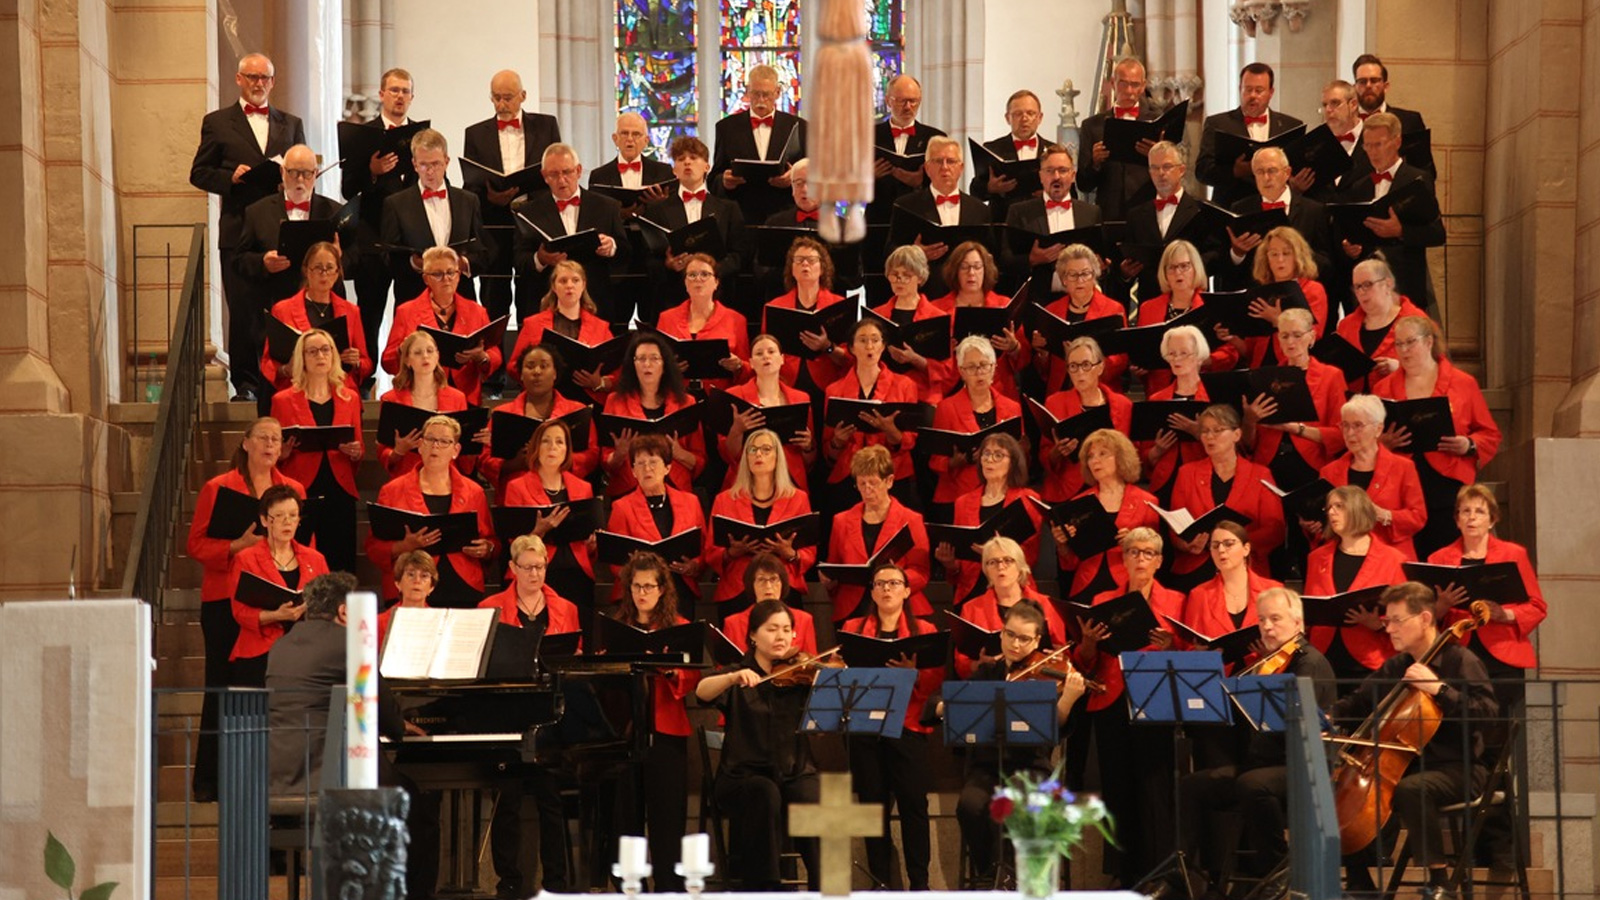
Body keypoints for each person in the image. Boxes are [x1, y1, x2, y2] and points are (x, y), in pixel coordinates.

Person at [265, 572, 440, 900]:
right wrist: (400, 725)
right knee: (418, 800)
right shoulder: (350, 645)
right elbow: (389, 719)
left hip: (282, 774)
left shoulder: (281, 646)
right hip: (333, 776)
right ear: (345, 611)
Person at [1333, 582, 1497, 897]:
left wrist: (1440, 690)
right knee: (1342, 782)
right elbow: (1359, 701)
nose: (1389, 629)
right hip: (1412, 765)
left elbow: (1489, 714)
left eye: (1397, 620)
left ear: (1424, 618)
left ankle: (1440, 881)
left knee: (1411, 789)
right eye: (1387, 621)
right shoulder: (1399, 665)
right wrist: (1327, 715)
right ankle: (1359, 881)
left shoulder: (1460, 661)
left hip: (1459, 767)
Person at [1176, 587, 1336, 890]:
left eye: (1275, 619)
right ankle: (1184, 875)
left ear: (1298, 623)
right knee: (1192, 786)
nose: (1267, 627)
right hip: (1264, 763)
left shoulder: (1309, 663)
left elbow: (1303, 727)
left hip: (1303, 765)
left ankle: (1278, 867)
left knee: (1252, 784)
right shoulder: (1270, 663)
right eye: (1262, 620)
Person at [186, 417, 303, 801]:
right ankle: (210, 781)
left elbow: (304, 543)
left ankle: (266, 777)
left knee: (271, 689)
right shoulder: (218, 487)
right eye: (263, 437)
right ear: (246, 442)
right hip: (224, 599)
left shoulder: (293, 490)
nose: (270, 445)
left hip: (275, 598)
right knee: (221, 685)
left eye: (277, 439)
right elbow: (195, 545)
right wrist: (237, 546)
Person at [931, 599, 1087, 883]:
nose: (1015, 644)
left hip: (1031, 768)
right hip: (987, 768)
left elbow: (1057, 728)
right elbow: (940, 702)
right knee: (969, 806)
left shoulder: (1046, 675)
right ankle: (989, 873)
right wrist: (944, 707)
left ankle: (1012, 878)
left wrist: (1067, 699)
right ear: (1001, 633)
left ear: (1037, 640)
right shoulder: (987, 673)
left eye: (1024, 638)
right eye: (1010, 634)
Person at [189, 52, 306, 401]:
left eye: (264, 78)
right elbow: (199, 173)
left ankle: (287, 380)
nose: (258, 83)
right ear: (239, 79)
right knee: (243, 310)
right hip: (239, 229)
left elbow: (302, 165)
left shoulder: (291, 123)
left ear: (273, 82)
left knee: (285, 308)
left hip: (280, 227)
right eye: (252, 77)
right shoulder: (218, 122)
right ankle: (246, 384)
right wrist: (230, 177)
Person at [477, 533, 581, 898]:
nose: (535, 574)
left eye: (540, 567)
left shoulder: (565, 607)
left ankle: (556, 883)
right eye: (527, 567)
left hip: (550, 715)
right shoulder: (489, 606)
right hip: (506, 714)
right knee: (507, 799)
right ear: (512, 568)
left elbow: (575, 659)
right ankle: (509, 882)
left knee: (551, 799)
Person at [1079, 527, 1184, 885]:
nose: (1140, 558)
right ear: (1123, 559)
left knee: (1155, 788)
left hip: (1156, 699)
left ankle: (1160, 873)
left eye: (1148, 553)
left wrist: (1171, 646)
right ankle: (1124, 874)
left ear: (1159, 560)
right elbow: (1086, 661)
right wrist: (1089, 643)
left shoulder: (1176, 601)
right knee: (1117, 787)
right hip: (1111, 698)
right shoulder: (1103, 600)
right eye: (1133, 552)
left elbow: (1188, 655)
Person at [695, 599, 822, 891]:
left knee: (812, 794)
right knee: (765, 793)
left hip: (793, 771)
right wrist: (732, 678)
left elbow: (820, 728)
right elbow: (701, 692)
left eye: (787, 630)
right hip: (743, 776)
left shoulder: (799, 675)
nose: (781, 636)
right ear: (753, 635)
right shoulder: (738, 674)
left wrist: (825, 687)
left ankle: (824, 886)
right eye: (772, 629)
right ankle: (765, 887)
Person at [840, 561, 944, 890]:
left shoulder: (924, 629)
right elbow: (843, 675)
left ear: (907, 591)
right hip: (865, 727)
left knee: (914, 806)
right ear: (871, 592)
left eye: (894, 583)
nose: (887, 588)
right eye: (880, 583)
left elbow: (935, 681)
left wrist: (913, 675)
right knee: (873, 808)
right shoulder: (854, 627)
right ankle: (880, 882)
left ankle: (920, 884)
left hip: (908, 725)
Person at [609, 552, 702, 891]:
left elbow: (692, 678)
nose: (642, 593)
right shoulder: (617, 627)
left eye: (649, 586)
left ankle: (669, 890)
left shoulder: (678, 627)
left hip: (666, 731)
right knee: (626, 821)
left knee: (667, 820)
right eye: (636, 586)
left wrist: (669, 670)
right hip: (626, 732)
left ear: (662, 589)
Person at [1373, 315, 1501, 559]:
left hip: (1447, 484)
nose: (1404, 350)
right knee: (1406, 561)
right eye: (1399, 344)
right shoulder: (1383, 388)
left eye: (1410, 342)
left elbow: (1490, 434)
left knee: (1447, 557)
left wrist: (1468, 444)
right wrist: (1384, 443)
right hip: (1401, 485)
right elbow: (1368, 439)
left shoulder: (1463, 383)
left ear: (1429, 341)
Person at [236, 146, 352, 385]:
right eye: (293, 172)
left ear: (316, 174)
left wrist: (338, 258)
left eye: (307, 173)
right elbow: (239, 260)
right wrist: (263, 262)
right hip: (276, 303)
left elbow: (356, 259)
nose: (300, 180)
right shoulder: (257, 212)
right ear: (282, 172)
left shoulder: (334, 212)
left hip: (325, 307)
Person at [460, 69, 562, 327]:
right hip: (494, 223)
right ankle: (494, 352)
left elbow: (556, 171)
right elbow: (471, 184)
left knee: (534, 294)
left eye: (507, 97)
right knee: (494, 295)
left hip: (534, 220)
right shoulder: (476, 133)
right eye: (496, 98)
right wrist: (490, 197)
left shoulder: (546, 125)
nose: (501, 104)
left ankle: (532, 349)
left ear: (523, 96)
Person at [367, 415, 496, 607]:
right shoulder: (392, 490)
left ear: (456, 450)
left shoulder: (474, 492)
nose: (435, 446)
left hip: (462, 585)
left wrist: (486, 549)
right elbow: (374, 548)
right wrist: (404, 546)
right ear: (420, 445)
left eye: (444, 441)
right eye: (430, 439)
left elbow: (491, 542)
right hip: (411, 586)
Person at [342, 68, 420, 385]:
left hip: (408, 242)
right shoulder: (363, 135)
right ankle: (365, 378)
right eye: (394, 90)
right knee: (369, 313)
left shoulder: (420, 137)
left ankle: (408, 378)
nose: (400, 96)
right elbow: (348, 188)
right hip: (372, 239)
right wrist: (371, 172)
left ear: (412, 97)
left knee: (408, 313)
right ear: (381, 94)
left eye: (405, 91)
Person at [270, 329, 365, 574]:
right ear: (302, 358)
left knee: (341, 561)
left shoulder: (350, 398)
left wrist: (355, 451)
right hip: (301, 488)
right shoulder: (283, 400)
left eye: (325, 350)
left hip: (340, 486)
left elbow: (359, 446)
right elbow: (273, 451)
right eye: (312, 351)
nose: (320, 356)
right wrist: (282, 453)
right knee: (302, 560)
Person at [1335, 112, 1446, 312]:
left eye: (1378, 145)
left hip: (1405, 285)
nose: (1372, 152)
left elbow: (1437, 233)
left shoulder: (1417, 179)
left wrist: (1400, 231)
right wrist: (1351, 247)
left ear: (1397, 142)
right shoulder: (1359, 186)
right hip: (1368, 290)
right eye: (1367, 146)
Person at [1169, 405, 1286, 588]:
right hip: (1198, 565)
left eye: (1218, 430)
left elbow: (1274, 529)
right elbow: (1175, 527)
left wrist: (1234, 545)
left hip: (1246, 565)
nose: (1209, 436)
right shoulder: (1187, 473)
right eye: (1205, 431)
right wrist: (1187, 544)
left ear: (1237, 435)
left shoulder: (1260, 474)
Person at [706, 428, 816, 620]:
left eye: (766, 449)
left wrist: (789, 553)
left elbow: (809, 551)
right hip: (737, 587)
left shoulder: (798, 498)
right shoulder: (725, 500)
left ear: (777, 457)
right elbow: (711, 551)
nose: (758, 454)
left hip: (783, 584)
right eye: (753, 449)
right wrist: (732, 552)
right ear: (746, 458)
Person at [512, 143, 629, 322]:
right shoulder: (528, 212)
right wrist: (540, 259)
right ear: (544, 176)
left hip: (596, 302)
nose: (561, 180)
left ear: (579, 171)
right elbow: (519, 260)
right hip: (547, 305)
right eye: (554, 174)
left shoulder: (607, 206)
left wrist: (611, 247)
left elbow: (625, 251)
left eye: (566, 172)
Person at [638, 136, 750, 321]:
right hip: (673, 298)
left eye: (693, 157)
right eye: (680, 159)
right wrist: (668, 264)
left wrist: (711, 271)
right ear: (674, 170)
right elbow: (647, 258)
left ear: (707, 166)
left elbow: (740, 254)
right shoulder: (657, 210)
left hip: (719, 298)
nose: (687, 162)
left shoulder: (728, 208)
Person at [1304, 485, 1408, 682]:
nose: (1331, 512)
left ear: (1358, 509)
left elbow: (1404, 616)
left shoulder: (1393, 559)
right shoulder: (1316, 558)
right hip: (1323, 657)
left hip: (1369, 659)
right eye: (1329, 507)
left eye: (1339, 506)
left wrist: (1378, 624)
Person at [501, 418, 599, 622]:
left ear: (567, 450)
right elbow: (513, 543)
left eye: (559, 441)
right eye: (546, 441)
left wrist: (591, 545)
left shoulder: (583, 488)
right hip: (536, 573)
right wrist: (538, 532)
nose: (552, 447)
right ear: (536, 447)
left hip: (577, 573)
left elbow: (588, 541)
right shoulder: (517, 487)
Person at [821, 445, 932, 625]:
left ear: (889, 481)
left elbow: (921, 572)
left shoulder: (911, 519)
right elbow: (834, 567)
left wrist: (895, 578)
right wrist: (829, 581)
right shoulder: (841, 521)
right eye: (861, 483)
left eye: (873, 483)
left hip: (900, 607)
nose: (867, 490)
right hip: (854, 608)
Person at [1239, 306, 1347, 491]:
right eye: (1284, 336)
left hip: (1311, 464)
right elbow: (1249, 445)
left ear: (1311, 337)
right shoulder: (1265, 377)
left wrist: (1295, 428)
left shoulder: (1331, 376)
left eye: (1297, 335)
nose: (1290, 342)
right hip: (1268, 464)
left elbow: (1340, 435)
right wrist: (1249, 420)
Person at [228, 485, 326, 686]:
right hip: (260, 652)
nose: (287, 522)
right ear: (265, 520)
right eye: (279, 516)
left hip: (305, 652)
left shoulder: (315, 559)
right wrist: (277, 615)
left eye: (293, 515)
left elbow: (329, 605)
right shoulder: (245, 559)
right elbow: (240, 613)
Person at [820, 318, 921, 509]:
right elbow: (828, 448)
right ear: (851, 348)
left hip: (892, 474)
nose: (869, 346)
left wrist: (891, 431)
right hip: (849, 475)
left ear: (883, 346)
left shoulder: (905, 385)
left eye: (875, 340)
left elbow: (910, 441)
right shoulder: (834, 390)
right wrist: (838, 441)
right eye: (863, 340)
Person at [381, 246, 501, 405]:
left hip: (466, 396)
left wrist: (481, 357)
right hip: (421, 395)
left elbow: (494, 353)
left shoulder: (476, 311)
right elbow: (387, 361)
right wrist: (402, 351)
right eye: (438, 274)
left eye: (451, 272)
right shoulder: (407, 311)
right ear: (426, 279)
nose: (446, 279)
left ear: (459, 275)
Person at [380, 127, 488, 304]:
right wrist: (415, 264)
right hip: (414, 300)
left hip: (461, 300)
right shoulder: (396, 204)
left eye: (435, 164)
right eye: (424, 165)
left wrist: (461, 264)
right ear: (414, 164)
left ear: (446, 161)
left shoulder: (468, 201)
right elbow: (387, 258)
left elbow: (482, 254)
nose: (430, 171)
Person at [936, 432, 1044, 605]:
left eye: (998, 455)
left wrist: (992, 553)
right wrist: (950, 564)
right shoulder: (963, 502)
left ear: (1013, 462)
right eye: (986, 454)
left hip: (1013, 588)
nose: (989, 460)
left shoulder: (1027, 499)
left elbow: (1030, 555)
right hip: (972, 589)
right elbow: (959, 566)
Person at [1054, 428, 1160, 603]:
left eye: (1103, 454)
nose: (1095, 460)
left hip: (1127, 584)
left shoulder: (1147, 502)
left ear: (1121, 458)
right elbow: (1070, 562)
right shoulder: (1078, 502)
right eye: (1090, 456)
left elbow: (1154, 554)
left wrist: (1133, 543)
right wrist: (1062, 544)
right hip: (1086, 583)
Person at [479, 343, 600, 496]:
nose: (537, 372)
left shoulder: (577, 410)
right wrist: (513, 464)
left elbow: (591, 454)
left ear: (555, 373)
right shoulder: (502, 413)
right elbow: (484, 458)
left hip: (565, 491)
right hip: (517, 494)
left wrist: (558, 460)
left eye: (544, 366)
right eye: (530, 366)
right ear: (521, 375)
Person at [1318, 394, 1428, 559]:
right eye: (1345, 425)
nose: (1350, 433)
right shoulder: (1329, 472)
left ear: (1378, 429)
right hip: (1345, 555)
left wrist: (1384, 515)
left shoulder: (1403, 467)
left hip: (1391, 557)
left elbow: (1418, 517)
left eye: (1358, 425)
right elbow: (1324, 523)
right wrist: (1313, 524)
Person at [605, 433, 707, 607]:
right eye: (640, 463)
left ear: (667, 468)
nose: (647, 469)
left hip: (680, 587)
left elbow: (703, 548)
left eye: (653, 462)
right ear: (633, 471)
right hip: (639, 593)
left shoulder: (691, 502)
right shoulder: (622, 507)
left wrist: (694, 565)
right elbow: (616, 561)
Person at [260, 241, 370, 400]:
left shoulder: (351, 311)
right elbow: (267, 362)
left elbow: (366, 363)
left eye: (329, 268)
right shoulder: (283, 309)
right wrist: (286, 370)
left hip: (339, 392)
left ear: (337, 272)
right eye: (318, 267)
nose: (324, 274)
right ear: (306, 271)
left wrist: (356, 361)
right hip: (297, 391)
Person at [928, 336, 1023, 519]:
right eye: (971, 367)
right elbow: (935, 461)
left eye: (984, 365)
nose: (979, 372)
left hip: (1003, 494)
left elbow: (1019, 455)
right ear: (961, 372)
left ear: (994, 368)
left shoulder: (1012, 408)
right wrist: (956, 461)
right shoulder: (946, 408)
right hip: (959, 495)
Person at [601, 332, 706, 498]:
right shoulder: (615, 401)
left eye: (654, 358)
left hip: (676, 489)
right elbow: (606, 461)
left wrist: (679, 453)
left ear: (664, 365)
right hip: (629, 489)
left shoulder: (687, 402)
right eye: (641, 359)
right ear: (632, 365)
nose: (647, 364)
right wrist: (619, 454)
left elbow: (699, 460)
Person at [1216, 147, 1332, 293]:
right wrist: (1237, 253)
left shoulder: (1313, 210)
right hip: (1255, 295)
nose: (1266, 177)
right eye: (1260, 172)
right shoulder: (1239, 209)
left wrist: (1298, 254)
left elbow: (1327, 263)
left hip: (1301, 294)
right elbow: (1225, 268)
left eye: (1272, 171)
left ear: (1287, 173)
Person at [1132, 240, 1237, 397]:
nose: (1178, 273)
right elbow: (1142, 351)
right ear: (1164, 273)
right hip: (1161, 392)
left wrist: (1203, 360)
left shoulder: (1213, 305)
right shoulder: (1148, 308)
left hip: (1204, 389)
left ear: (1196, 269)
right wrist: (1140, 368)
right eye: (1172, 267)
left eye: (1184, 266)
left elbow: (1231, 353)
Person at [891, 136, 993, 299]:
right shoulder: (905, 205)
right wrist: (916, 254)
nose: (945, 167)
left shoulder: (980, 209)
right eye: (938, 161)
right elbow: (890, 253)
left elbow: (990, 255)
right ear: (927, 168)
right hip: (924, 295)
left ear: (961, 168)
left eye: (951, 161)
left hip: (967, 296)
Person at [952, 536, 1068, 678]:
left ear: (1020, 567)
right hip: (989, 681)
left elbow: (1063, 652)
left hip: (1036, 680)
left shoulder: (1046, 604)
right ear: (986, 569)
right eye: (993, 562)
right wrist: (978, 665)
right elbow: (961, 662)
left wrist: (1058, 658)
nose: (1000, 567)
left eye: (1008, 560)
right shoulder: (971, 608)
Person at [504, 259, 617, 403]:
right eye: (563, 281)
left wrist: (599, 382)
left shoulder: (600, 327)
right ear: (554, 286)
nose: (569, 286)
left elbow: (617, 372)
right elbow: (514, 366)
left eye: (575, 280)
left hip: (586, 399)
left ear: (583, 285)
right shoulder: (533, 324)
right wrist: (537, 375)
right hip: (543, 400)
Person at [1039, 336, 1134, 503]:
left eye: (1086, 365)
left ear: (1100, 367)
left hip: (1111, 488)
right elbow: (1044, 455)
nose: (1080, 372)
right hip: (1068, 489)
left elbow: (1131, 455)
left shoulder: (1123, 405)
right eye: (1073, 366)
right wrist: (1057, 452)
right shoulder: (1055, 403)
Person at [1196, 63, 1305, 207]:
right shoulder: (1218, 124)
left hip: (1279, 207)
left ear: (1271, 92)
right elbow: (1202, 172)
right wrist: (1234, 171)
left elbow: (1297, 168)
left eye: (1259, 90)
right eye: (1248, 89)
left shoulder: (1290, 126)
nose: (1253, 95)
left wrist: (1295, 183)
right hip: (1231, 207)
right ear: (1239, 89)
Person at [712, 63, 808, 226]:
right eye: (756, 94)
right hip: (741, 218)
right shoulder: (726, 127)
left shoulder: (799, 126)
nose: (761, 100)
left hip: (785, 215)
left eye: (766, 94)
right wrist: (724, 181)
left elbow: (814, 173)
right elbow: (713, 179)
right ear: (748, 91)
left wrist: (792, 178)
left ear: (777, 92)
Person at [1026, 248, 1129, 396]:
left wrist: (1083, 360)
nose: (1080, 280)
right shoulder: (1051, 310)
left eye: (1085, 274)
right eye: (1073, 275)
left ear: (1094, 275)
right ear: (1064, 279)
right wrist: (1043, 352)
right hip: (1061, 392)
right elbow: (1045, 370)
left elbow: (1121, 360)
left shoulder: (1113, 309)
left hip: (1100, 391)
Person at [719, 333, 817, 490]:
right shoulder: (734, 396)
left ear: (782, 359)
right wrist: (737, 430)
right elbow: (727, 455)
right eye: (759, 353)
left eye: (771, 351)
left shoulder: (801, 398)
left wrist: (808, 446)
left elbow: (809, 460)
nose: (766, 356)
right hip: (747, 480)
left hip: (790, 481)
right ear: (751, 363)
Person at [1002, 143, 1103, 293]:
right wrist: (1031, 259)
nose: (1056, 177)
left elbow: (1101, 258)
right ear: (1041, 176)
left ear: (1073, 176)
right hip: (1036, 298)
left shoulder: (1091, 212)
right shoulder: (1019, 211)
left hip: (1080, 298)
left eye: (1063, 170)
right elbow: (1004, 260)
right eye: (1050, 171)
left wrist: (1100, 264)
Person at [760, 236, 853, 397]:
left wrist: (827, 346)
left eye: (811, 260)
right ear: (792, 269)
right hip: (786, 385)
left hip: (828, 384)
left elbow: (850, 359)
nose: (805, 264)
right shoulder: (774, 306)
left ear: (822, 268)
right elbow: (764, 349)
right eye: (799, 260)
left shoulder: (839, 305)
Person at [1118, 140, 1208, 304]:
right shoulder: (1136, 215)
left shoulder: (1201, 211)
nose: (1160, 173)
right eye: (1154, 168)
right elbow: (1126, 263)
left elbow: (1213, 255)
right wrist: (1125, 273)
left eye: (1167, 167)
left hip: (1192, 302)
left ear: (1181, 170)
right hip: (1150, 301)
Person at [934, 242, 1027, 399]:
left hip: (997, 389)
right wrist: (944, 350)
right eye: (964, 267)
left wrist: (1013, 347)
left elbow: (1024, 356)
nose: (971, 273)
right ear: (955, 271)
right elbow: (928, 359)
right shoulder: (936, 309)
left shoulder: (1003, 305)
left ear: (985, 270)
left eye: (977, 267)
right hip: (950, 388)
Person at [1179, 520, 1284, 656]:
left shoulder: (1274, 590)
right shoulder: (1199, 594)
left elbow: (1289, 641)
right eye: (1215, 545)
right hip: (1218, 668)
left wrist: (1272, 653)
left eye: (1228, 544)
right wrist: (1200, 653)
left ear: (1246, 549)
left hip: (1265, 667)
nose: (1221, 550)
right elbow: (1188, 648)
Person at [870, 244, 956, 404]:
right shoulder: (876, 314)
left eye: (906, 275)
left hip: (922, 394)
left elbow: (946, 371)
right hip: (883, 391)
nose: (899, 280)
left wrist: (914, 359)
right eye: (894, 275)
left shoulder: (938, 317)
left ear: (920, 278)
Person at [656, 251, 752, 395]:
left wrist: (738, 365)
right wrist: (670, 368)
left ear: (716, 282)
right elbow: (656, 365)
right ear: (685, 283)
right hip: (677, 398)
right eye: (692, 275)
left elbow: (748, 373)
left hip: (720, 398)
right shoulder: (666, 318)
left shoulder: (736, 320)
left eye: (705, 274)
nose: (698, 279)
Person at [377, 330, 469, 478]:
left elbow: (464, 452)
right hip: (407, 476)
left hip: (445, 477)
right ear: (407, 361)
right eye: (418, 353)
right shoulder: (391, 399)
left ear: (437, 356)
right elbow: (383, 452)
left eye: (430, 351)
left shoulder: (457, 398)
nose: (425, 356)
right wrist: (398, 451)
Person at [1077, 57, 1160, 221]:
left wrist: (1156, 156)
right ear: (1113, 83)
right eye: (1123, 83)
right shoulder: (1092, 126)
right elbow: (1083, 185)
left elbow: (1171, 174)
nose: (1129, 90)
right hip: (1109, 212)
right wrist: (1095, 163)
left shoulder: (1156, 122)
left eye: (1135, 84)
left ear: (1143, 86)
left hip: (1147, 211)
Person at [1140, 325, 1213, 504]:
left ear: (1199, 357)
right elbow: (1144, 456)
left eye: (1184, 353)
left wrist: (1199, 433)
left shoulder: (1213, 396)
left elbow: (1232, 450)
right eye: (1171, 354)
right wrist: (1157, 450)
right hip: (1165, 481)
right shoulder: (1157, 399)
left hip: (1205, 481)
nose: (1176, 359)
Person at [1335, 257, 1429, 394]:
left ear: (1388, 284)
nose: (1361, 292)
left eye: (1367, 284)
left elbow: (1434, 369)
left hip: (1400, 399)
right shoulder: (1346, 325)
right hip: (1356, 402)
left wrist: (1400, 368)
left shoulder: (1416, 320)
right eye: (1357, 287)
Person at [869, 74, 945, 224]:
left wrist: (921, 182)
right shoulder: (868, 135)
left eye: (913, 101)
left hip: (921, 218)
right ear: (888, 101)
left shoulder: (935, 137)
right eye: (901, 101)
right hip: (879, 218)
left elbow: (946, 182)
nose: (908, 107)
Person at [1351, 54, 1436, 177]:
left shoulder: (1410, 121)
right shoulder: (1345, 124)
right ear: (1355, 87)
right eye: (1362, 81)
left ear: (1385, 86)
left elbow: (1425, 171)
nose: (1368, 85)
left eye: (1374, 80)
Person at [719, 551, 820, 652]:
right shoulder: (733, 624)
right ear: (751, 584)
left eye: (773, 579)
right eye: (761, 580)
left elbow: (812, 660)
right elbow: (727, 662)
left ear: (783, 583)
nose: (768, 586)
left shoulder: (804, 620)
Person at [970, 89, 1046, 220]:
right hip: (1004, 220)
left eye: (1030, 113)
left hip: (1041, 220)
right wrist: (990, 188)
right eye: (1018, 114)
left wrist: (1051, 193)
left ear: (1040, 118)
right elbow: (975, 190)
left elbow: (1071, 193)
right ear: (1007, 118)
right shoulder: (992, 149)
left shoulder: (1054, 151)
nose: (1024, 119)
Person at [378, 551, 437, 643]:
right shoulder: (379, 622)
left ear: (431, 587)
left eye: (424, 576)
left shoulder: (439, 622)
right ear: (398, 583)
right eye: (411, 574)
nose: (417, 580)